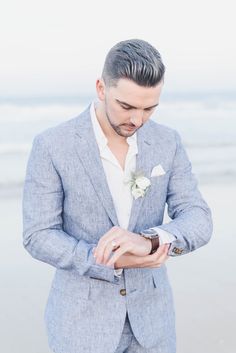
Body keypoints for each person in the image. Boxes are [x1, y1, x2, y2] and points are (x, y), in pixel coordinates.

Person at [22, 39, 213, 353]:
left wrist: (152, 239)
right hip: (81, 328)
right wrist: (104, 260)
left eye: (149, 108)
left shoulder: (168, 142)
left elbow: (198, 218)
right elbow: (38, 235)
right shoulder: (51, 146)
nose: (137, 120)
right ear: (101, 88)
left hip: (153, 326)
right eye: (126, 106)